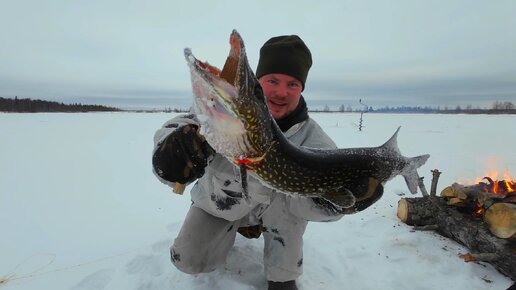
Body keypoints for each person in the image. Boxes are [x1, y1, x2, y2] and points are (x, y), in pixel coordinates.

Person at [152, 35, 345, 290]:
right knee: (188, 260)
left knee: (291, 205)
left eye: (293, 84)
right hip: (222, 204)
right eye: (272, 81)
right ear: (259, 81)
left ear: (302, 89)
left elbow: (333, 206)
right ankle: (231, 231)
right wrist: (175, 153)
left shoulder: (314, 138)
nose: (280, 92)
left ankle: (283, 274)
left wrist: (348, 198)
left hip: (279, 215)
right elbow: (168, 147)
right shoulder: (217, 115)